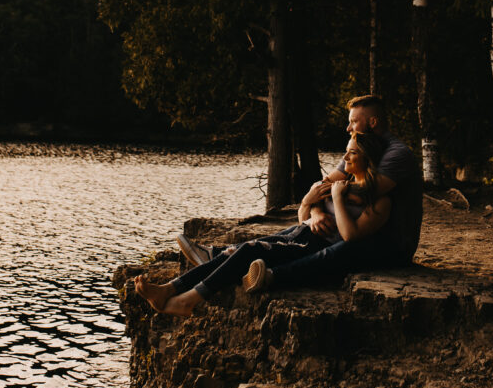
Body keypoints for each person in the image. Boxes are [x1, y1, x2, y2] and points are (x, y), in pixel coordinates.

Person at [134, 131, 390, 318]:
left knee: (248, 251)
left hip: (314, 247)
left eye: (352, 152)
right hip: (300, 234)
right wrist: (311, 204)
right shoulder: (338, 183)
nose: (344, 157)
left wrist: (336, 199)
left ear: (368, 158)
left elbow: (349, 236)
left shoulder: (379, 200)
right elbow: (303, 215)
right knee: (237, 251)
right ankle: (168, 289)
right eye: (346, 150)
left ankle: (188, 300)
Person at [242, 94, 423, 293]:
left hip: (392, 244)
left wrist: (332, 193)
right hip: (365, 233)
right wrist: (316, 211)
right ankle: (226, 257)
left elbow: (365, 194)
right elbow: (324, 184)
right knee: (300, 236)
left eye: (354, 121)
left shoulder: (396, 153)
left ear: (372, 122)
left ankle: (272, 276)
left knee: (341, 249)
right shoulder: (356, 148)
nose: (348, 128)